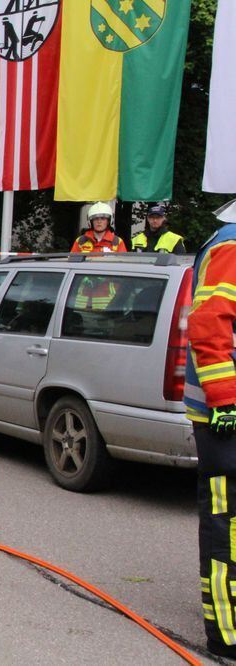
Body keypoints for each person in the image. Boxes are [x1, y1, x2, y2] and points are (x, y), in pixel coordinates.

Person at [184, 197, 236, 659]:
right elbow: (207, 326)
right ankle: (227, 634)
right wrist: (225, 400)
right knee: (227, 523)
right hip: (224, 416)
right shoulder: (232, 245)